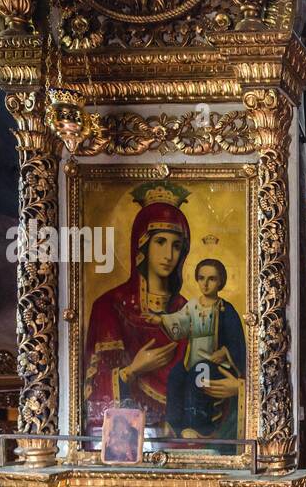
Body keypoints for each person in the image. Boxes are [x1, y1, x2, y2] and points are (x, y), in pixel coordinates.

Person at [84, 182, 207, 433]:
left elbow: (200, 385)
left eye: (176, 245)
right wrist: (133, 370)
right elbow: (91, 393)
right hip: (124, 436)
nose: (169, 254)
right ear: (141, 245)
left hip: (182, 439)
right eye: (160, 241)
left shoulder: (188, 311)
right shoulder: (109, 307)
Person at [143, 258, 246, 442]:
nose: (205, 284)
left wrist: (223, 352)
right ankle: (174, 424)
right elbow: (180, 321)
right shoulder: (192, 306)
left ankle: (198, 426)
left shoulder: (225, 309)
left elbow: (235, 340)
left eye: (212, 279)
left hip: (217, 363)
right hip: (192, 358)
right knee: (176, 375)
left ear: (220, 281)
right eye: (201, 278)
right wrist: (161, 320)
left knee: (197, 376)